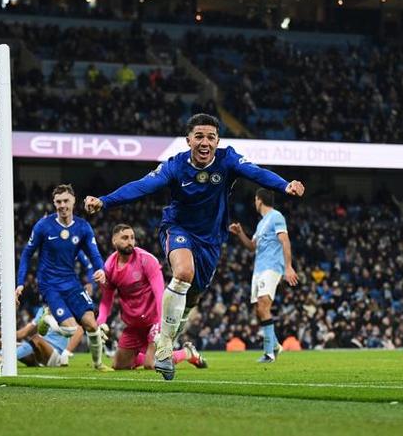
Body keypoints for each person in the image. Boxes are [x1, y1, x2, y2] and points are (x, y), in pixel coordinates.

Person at [84, 113, 305, 380]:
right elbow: (143, 186)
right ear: (188, 140)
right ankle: (164, 346)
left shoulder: (227, 159)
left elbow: (257, 173)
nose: (204, 142)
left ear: (217, 141)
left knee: (193, 296)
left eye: (210, 137)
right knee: (183, 273)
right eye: (199, 136)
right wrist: (105, 201)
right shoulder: (175, 166)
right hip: (178, 228)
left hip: (211, 240)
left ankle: (174, 340)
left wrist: (284, 185)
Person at [16, 184, 112, 372]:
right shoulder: (43, 226)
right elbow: (27, 253)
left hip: (71, 282)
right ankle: (47, 319)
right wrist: (20, 283)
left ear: (74, 201)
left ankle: (98, 364)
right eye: (58, 202)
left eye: (66, 201)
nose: (62, 205)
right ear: (54, 203)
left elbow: (93, 253)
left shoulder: (83, 227)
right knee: (70, 329)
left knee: (91, 324)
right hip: (49, 284)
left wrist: (101, 269)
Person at [97, 224, 207, 370]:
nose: (130, 241)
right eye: (125, 238)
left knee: (151, 364)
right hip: (134, 324)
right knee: (119, 365)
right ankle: (140, 357)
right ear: (114, 241)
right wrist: (100, 323)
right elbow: (106, 300)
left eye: (132, 238)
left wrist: (162, 323)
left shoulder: (146, 259)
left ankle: (187, 353)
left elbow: (159, 293)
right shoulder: (109, 266)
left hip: (153, 320)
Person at [228, 188, 298, 363]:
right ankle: (275, 345)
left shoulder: (276, 217)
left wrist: (288, 267)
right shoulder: (261, 224)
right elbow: (252, 247)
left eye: (255, 199)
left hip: (272, 267)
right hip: (259, 269)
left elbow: (285, 241)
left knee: (264, 305)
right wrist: (240, 233)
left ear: (259, 200)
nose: (254, 202)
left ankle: (269, 353)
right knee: (258, 310)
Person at [0, 306, 71, 368]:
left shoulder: (65, 311)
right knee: (12, 344)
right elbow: (23, 333)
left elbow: (75, 330)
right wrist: (0, 341)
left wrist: (67, 352)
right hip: (38, 356)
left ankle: (4, 360)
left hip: (56, 356)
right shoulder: (42, 311)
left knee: (36, 339)